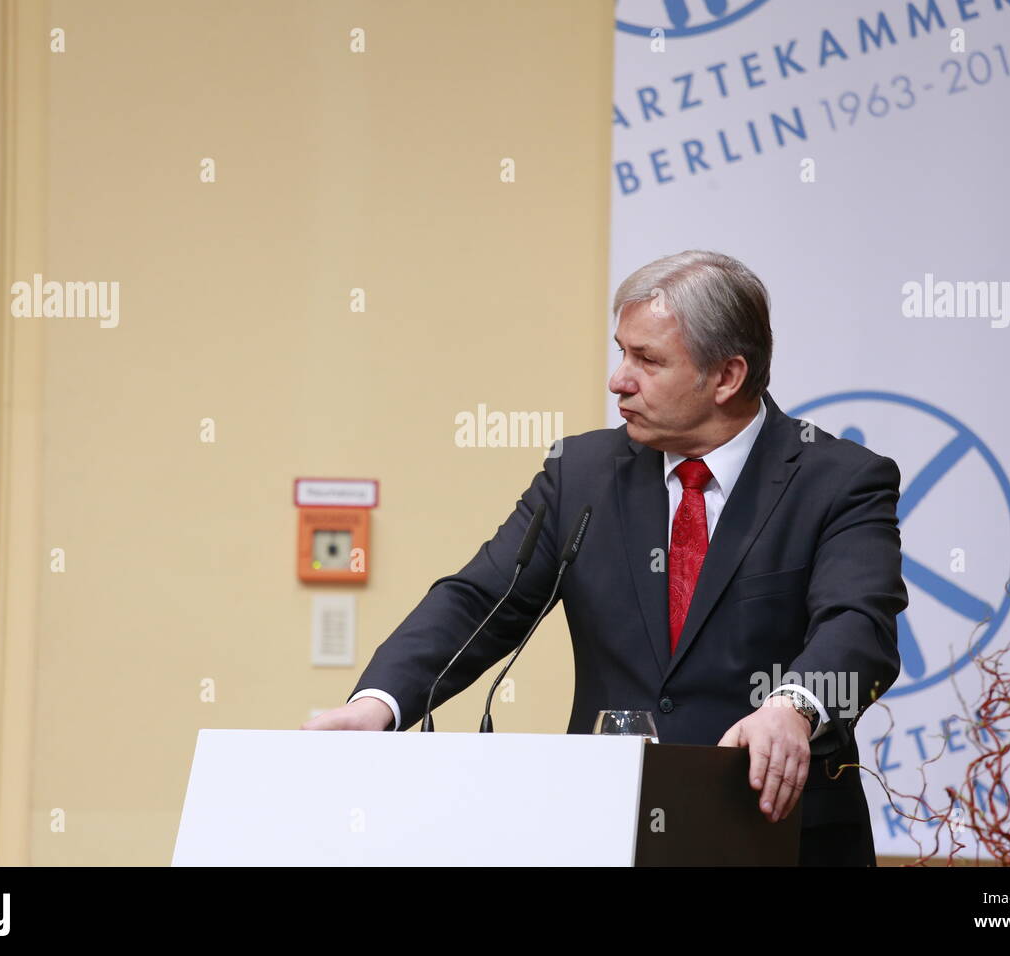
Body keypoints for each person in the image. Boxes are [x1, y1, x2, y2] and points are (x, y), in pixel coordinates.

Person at [304, 250, 907, 866]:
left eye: (647, 360)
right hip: (607, 830)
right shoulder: (580, 474)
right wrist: (377, 705)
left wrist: (794, 708)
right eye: (622, 351)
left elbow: (858, 625)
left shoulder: (839, 480)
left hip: (780, 836)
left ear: (727, 377)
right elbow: (481, 600)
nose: (619, 379)